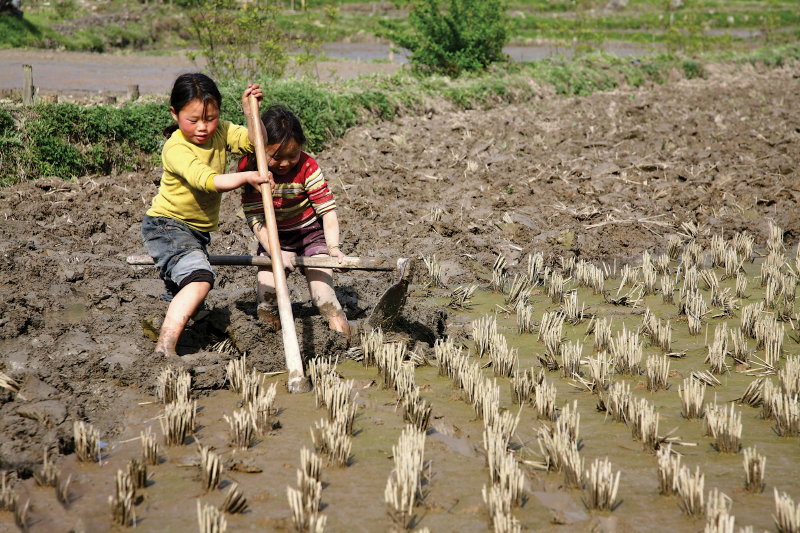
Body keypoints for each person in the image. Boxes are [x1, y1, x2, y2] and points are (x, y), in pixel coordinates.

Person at [142, 72, 272, 357]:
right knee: (200, 279)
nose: (203, 127)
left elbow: (256, 143)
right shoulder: (176, 147)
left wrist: (252, 114)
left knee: (189, 295)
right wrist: (247, 176)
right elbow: (206, 180)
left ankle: (165, 325)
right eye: (193, 120)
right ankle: (164, 349)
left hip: (196, 232)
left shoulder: (222, 131)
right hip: (167, 226)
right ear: (175, 114)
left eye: (210, 118)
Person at [238, 104, 350, 339]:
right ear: (261, 149)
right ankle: (269, 348)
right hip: (272, 237)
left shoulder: (308, 167)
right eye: (276, 157)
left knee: (324, 299)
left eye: (292, 155)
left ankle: (346, 341)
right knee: (266, 302)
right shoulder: (250, 170)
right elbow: (255, 218)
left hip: (310, 235)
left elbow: (327, 212)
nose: (285, 163)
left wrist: (333, 248)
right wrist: (276, 251)